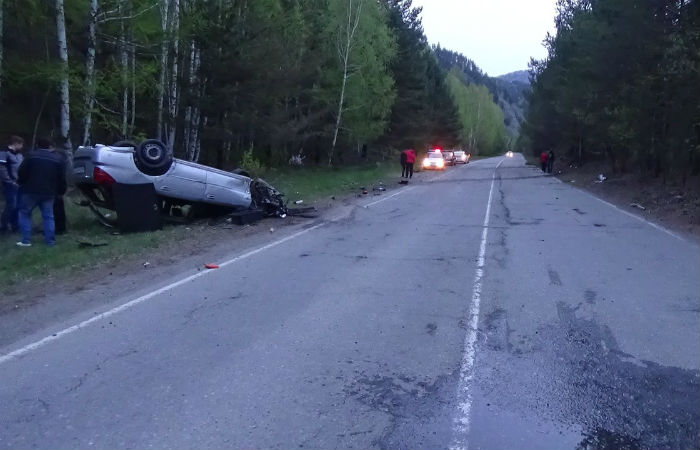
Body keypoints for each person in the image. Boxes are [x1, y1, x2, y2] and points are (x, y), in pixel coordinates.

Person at [16, 137, 67, 247]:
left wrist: (21, 182)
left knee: (25, 213)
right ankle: (50, 241)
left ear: (37, 145)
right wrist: (60, 191)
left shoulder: (30, 156)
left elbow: (21, 171)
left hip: (30, 190)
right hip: (49, 192)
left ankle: (26, 240)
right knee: (48, 216)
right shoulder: (57, 159)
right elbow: (61, 177)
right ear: (49, 146)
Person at [0, 135, 25, 233]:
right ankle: (3, 225)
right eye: (21, 144)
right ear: (15, 143)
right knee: (11, 205)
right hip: (9, 185)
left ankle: (15, 225)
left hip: (19, 183)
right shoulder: (4, 153)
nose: (22, 146)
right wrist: (9, 181)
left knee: (18, 205)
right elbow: (2, 170)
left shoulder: (20, 155)